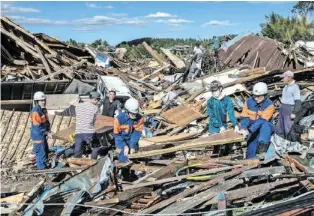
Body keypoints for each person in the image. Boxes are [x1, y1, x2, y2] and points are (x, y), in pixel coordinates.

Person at [239, 82, 275, 159]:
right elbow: (244, 116)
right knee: (251, 153)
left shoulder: (270, 105)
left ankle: (262, 149)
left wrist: (249, 130)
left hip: (264, 131)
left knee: (265, 125)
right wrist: (244, 127)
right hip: (253, 130)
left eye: (258, 96)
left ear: (265, 95)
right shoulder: (248, 102)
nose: (256, 98)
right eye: (255, 96)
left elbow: (261, 120)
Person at [113, 98, 144, 163]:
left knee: (134, 153)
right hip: (120, 139)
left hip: (131, 139)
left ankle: (134, 169)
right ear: (127, 110)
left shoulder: (140, 119)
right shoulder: (119, 119)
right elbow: (117, 135)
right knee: (122, 153)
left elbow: (136, 133)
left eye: (135, 113)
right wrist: (124, 145)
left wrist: (132, 145)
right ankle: (123, 166)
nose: (134, 115)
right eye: (132, 113)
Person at [74, 91, 101, 159]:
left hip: (78, 132)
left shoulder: (78, 106)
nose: (98, 102)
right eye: (98, 100)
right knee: (96, 146)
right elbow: (95, 121)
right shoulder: (95, 108)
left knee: (78, 150)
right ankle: (93, 160)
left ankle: (76, 164)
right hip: (89, 132)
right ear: (95, 99)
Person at [276, 71, 301, 138]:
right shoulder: (286, 86)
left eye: (284, 77)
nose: (283, 79)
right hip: (283, 107)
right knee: (280, 127)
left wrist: (294, 112)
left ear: (289, 77)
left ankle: (291, 143)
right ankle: (280, 142)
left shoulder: (295, 87)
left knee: (288, 128)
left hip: (289, 108)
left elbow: (298, 101)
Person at [30, 91, 51, 169]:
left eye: (44, 100)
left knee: (45, 150)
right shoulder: (35, 111)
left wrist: (48, 130)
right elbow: (37, 126)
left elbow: (45, 121)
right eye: (41, 100)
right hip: (38, 135)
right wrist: (46, 132)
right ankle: (42, 169)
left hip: (42, 134)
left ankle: (44, 166)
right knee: (40, 152)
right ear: (37, 101)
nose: (43, 102)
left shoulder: (43, 110)